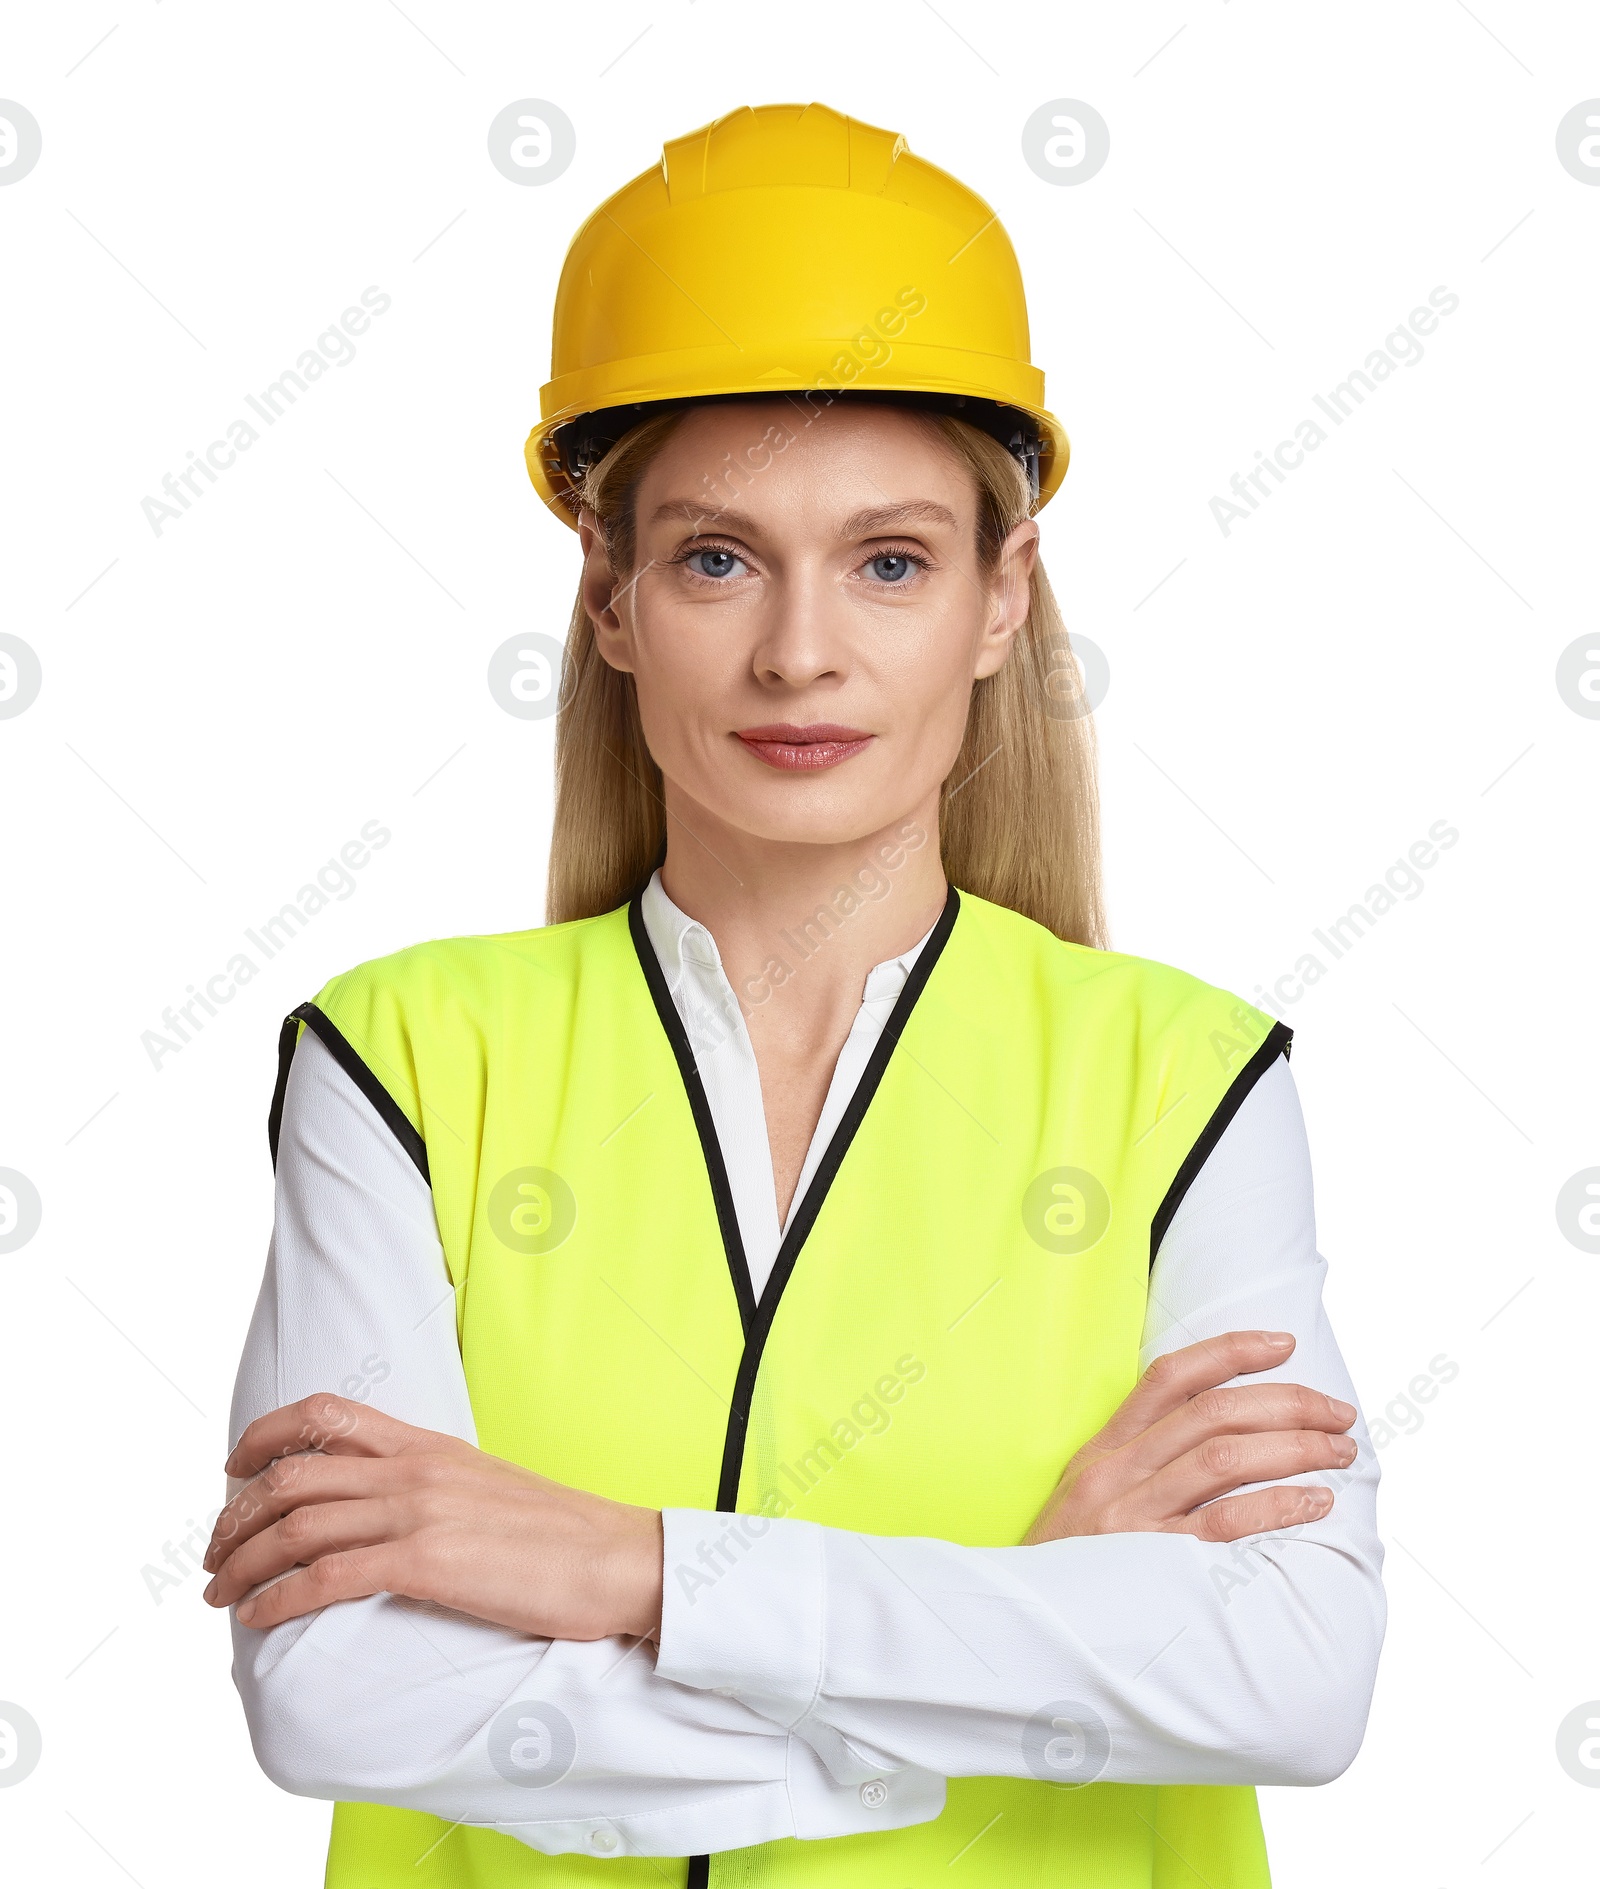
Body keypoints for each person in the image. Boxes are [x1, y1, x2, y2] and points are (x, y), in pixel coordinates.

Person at [205, 103, 1383, 1888]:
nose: (799, 651)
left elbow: (1295, 1678)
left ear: (1004, 596)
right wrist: (1033, 1622)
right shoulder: (401, 1063)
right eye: (716, 556)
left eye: (892, 560)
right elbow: (340, 1692)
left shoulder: (1188, 1081)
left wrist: (634, 1570)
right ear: (608, 597)